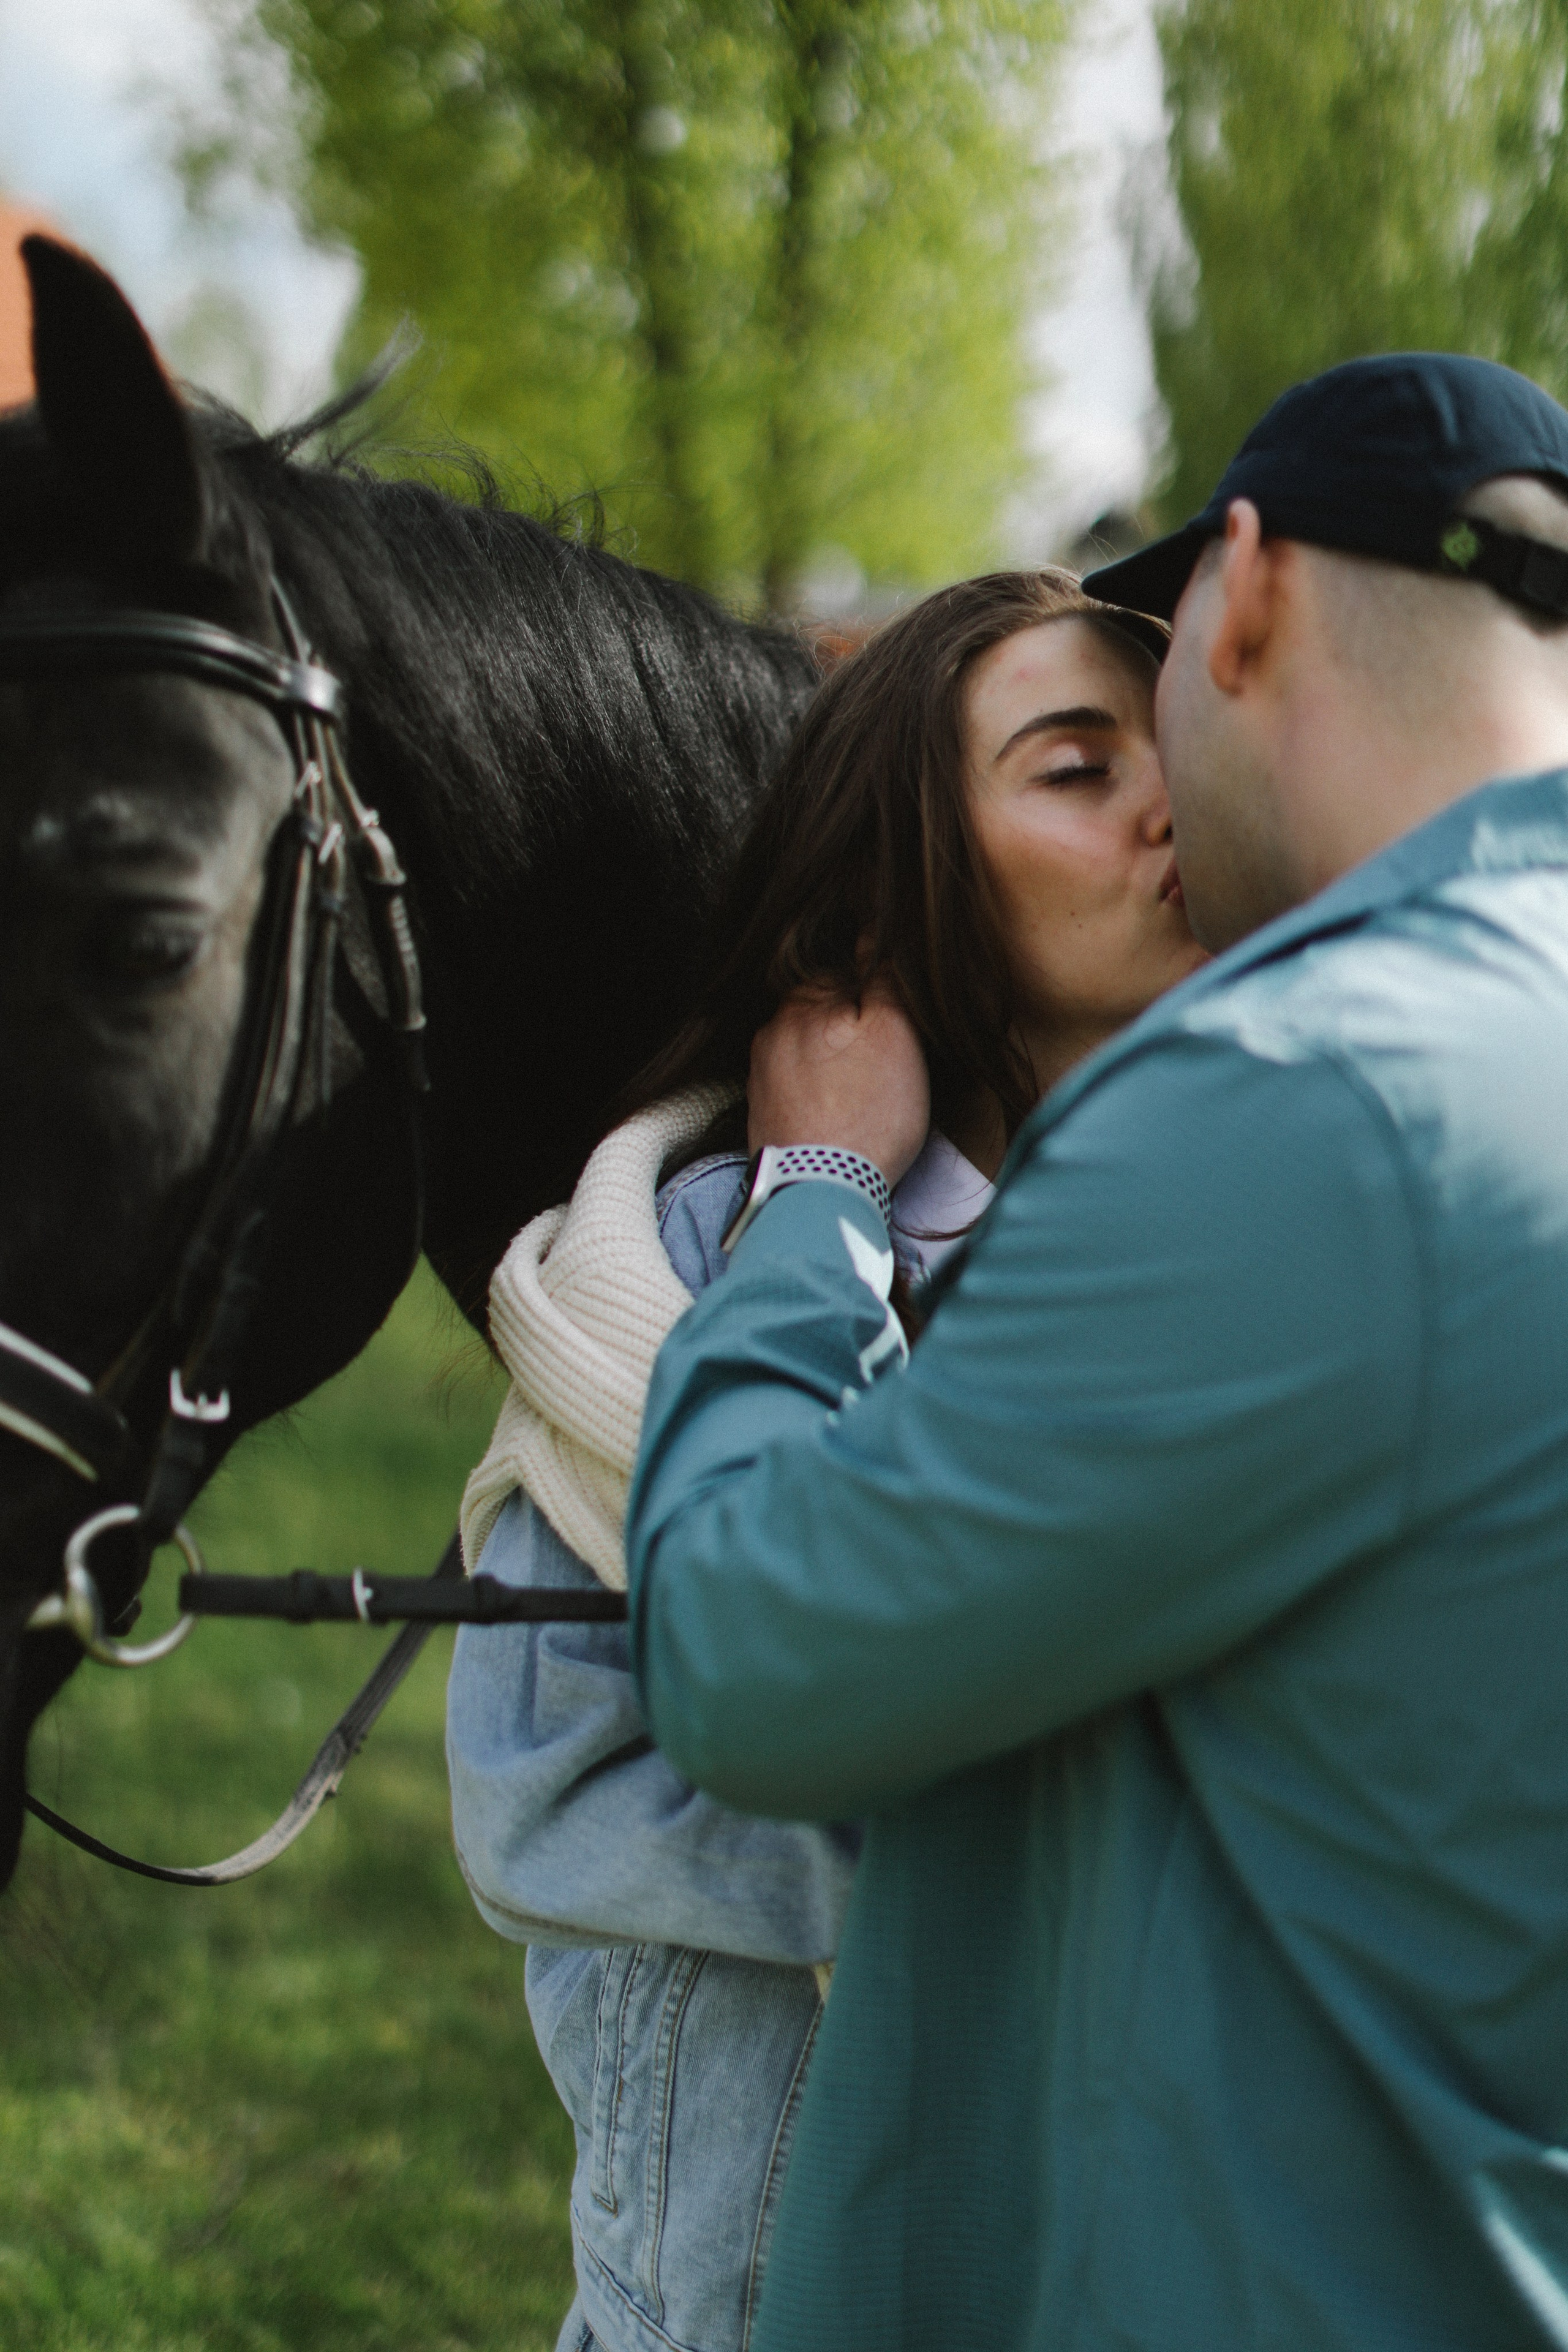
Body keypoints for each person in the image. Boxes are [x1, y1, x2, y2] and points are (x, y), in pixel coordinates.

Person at [624, 354, 1568, 2351]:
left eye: (1149, 714)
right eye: (1072, 759)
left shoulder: (1309, 1101)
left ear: (1244, 596)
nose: (1152, 786)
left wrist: (811, 1212)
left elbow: (748, 1662)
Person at [445, 569, 1205, 2352]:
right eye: (1076, 769)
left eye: (1169, 749)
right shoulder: (695, 1263)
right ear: (915, 870)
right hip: (756, 2238)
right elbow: (544, 1792)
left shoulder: (1247, 1229)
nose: (1170, 800)